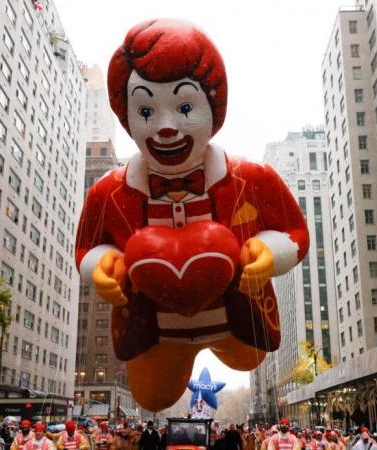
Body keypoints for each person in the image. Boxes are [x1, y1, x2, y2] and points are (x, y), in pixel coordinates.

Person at [76, 18, 310, 412]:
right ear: (126, 115)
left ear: (213, 106)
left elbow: (294, 231)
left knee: (247, 358)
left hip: (239, 327)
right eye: (146, 110)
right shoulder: (109, 192)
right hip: (156, 332)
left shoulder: (251, 179)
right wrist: (103, 266)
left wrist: (269, 252)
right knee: (153, 397)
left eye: (184, 107)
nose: (166, 127)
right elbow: (87, 247)